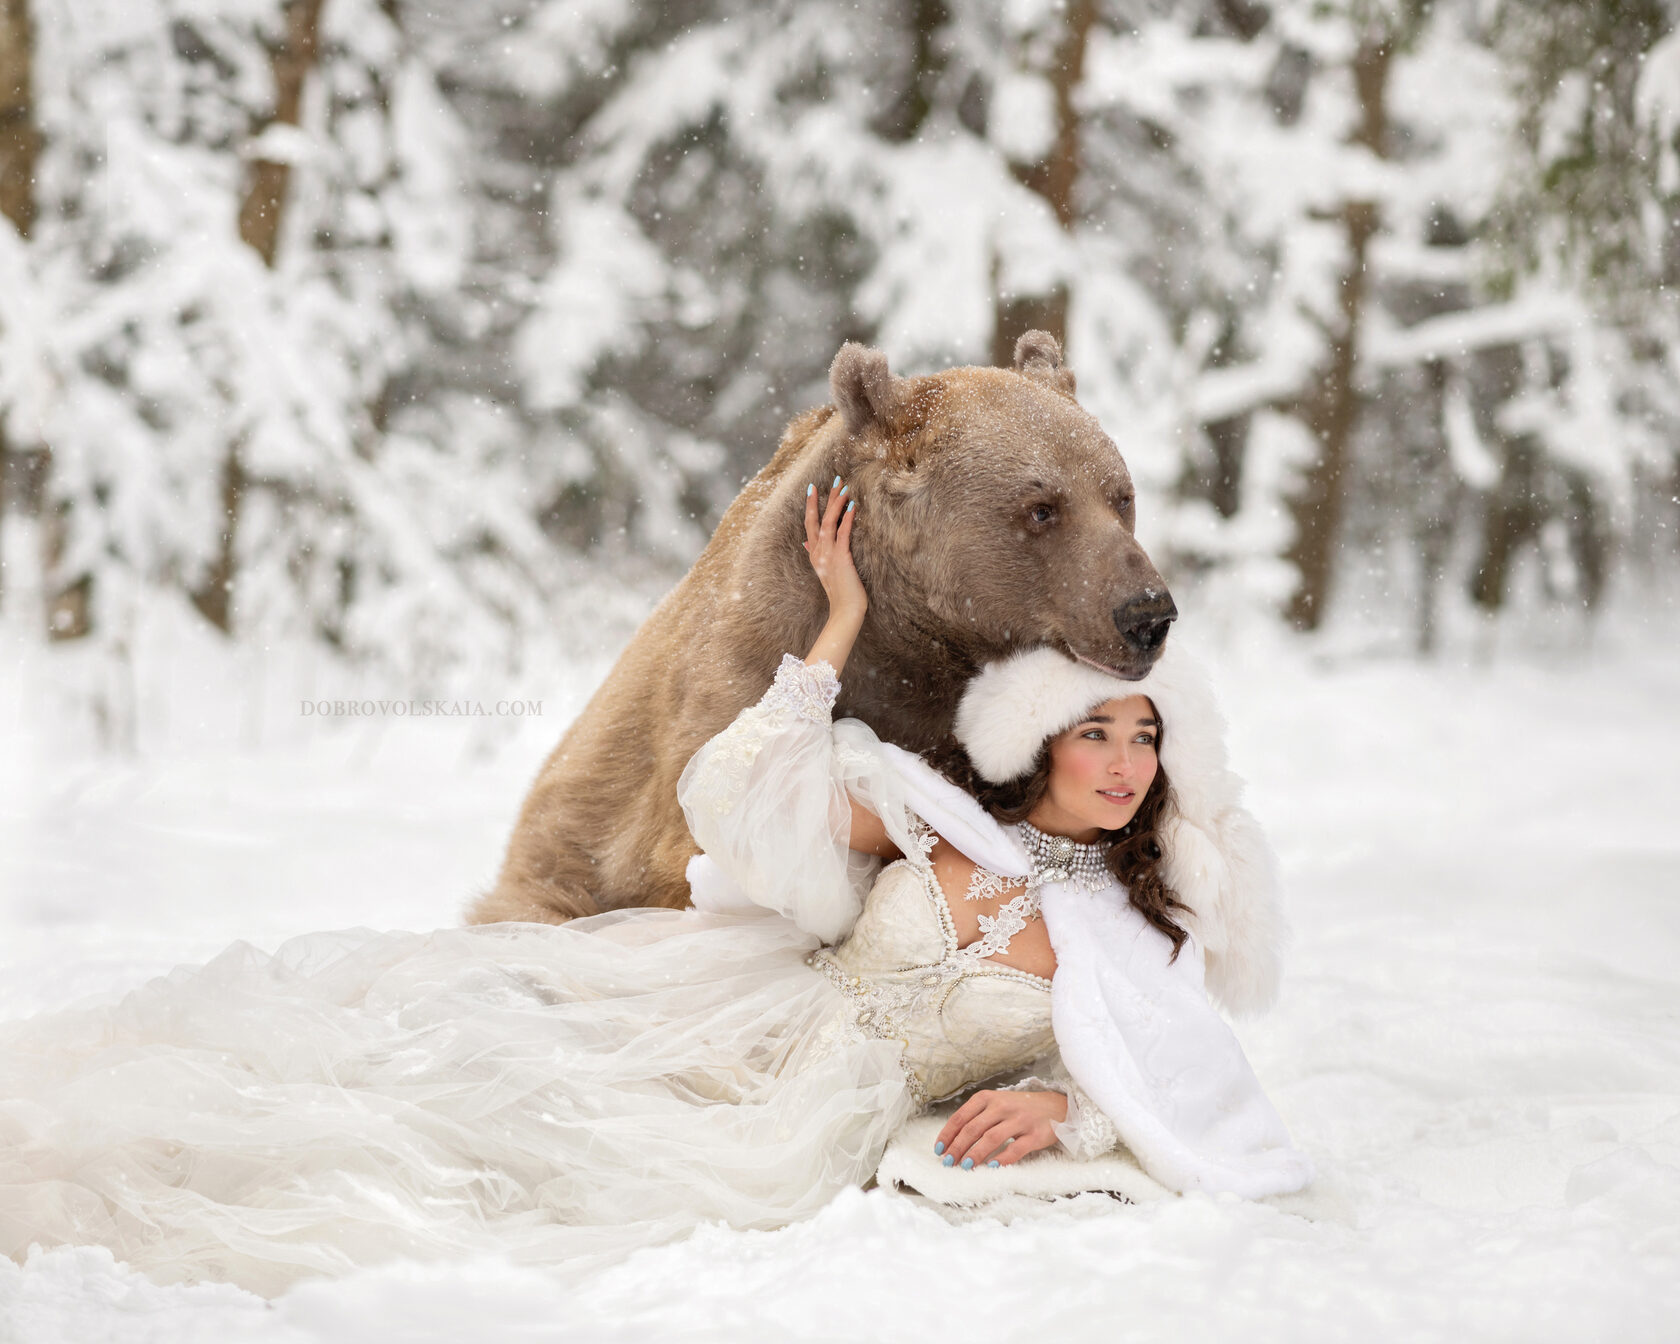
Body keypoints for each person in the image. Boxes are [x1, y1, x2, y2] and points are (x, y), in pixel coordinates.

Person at [0, 482, 1308, 1298]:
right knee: (429, 1061)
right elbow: (751, 793)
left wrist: (1058, 1112)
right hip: (709, 1012)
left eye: (1147, 741)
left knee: (512, 1178)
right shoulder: (942, 826)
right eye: (1099, 734)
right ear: (1040, 743)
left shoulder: (1138, 935)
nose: (1125, 764)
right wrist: (838, 616)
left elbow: (1179, 1074)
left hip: (799, 1117)